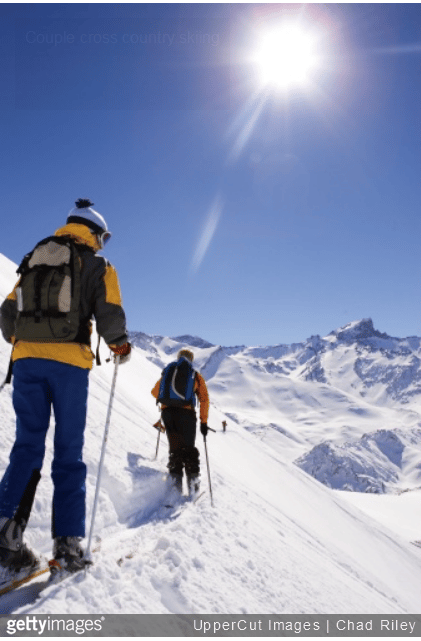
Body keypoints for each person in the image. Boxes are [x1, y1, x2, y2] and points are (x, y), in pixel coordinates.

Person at [0, 198, 131, 575]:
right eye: (102, 236)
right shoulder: (97, 264)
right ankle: (68, 544)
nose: (102, 242)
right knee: (69, 453)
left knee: (26, 445)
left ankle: (4, 533)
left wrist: (27, 345)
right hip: (69, 366)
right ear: (93, 232)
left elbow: (8, 315)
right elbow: (109, 314)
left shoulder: (34, 258)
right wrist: (120, 345)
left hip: (25, 362)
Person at [151, 349, 209, 498]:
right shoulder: (194, 375)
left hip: (168, 414)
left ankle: (174, 491)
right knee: (189, 451)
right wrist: (203, 422)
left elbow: (154, 391)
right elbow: (204, 399)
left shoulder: (169, 370)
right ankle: (193, 491)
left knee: (175, 451)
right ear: (191, 359)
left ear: (178, 358)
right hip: (187, 415)